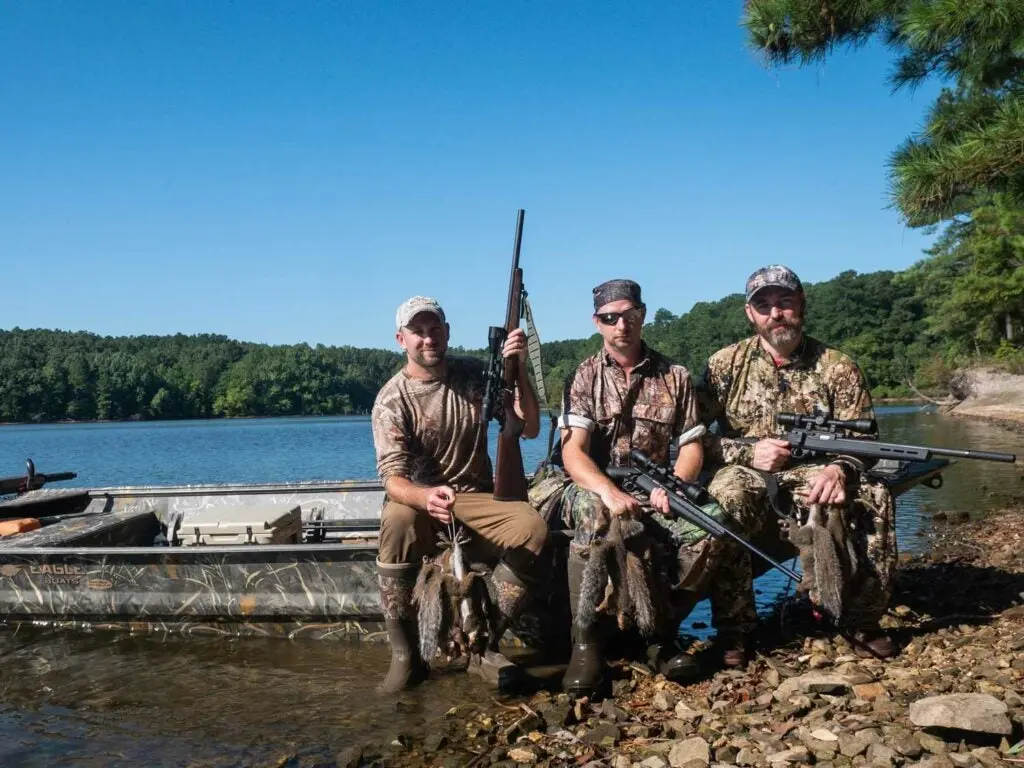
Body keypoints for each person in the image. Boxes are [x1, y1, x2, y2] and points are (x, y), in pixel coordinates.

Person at [697, 265, 897, 666]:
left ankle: (862, 619)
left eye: (785, 302)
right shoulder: (723, 365)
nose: (776, 313)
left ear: (801, 305)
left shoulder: (838, 366)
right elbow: (691, 438)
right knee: (724, 497)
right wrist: (745, 453)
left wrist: (840, 468)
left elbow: (865, 441)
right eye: (764, 305)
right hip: (747, 470)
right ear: (749, 313)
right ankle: (736, 630)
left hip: (817, 469)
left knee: (874, 494)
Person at [371, 295, 548, 693]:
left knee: (533, 528)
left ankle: (483, 638)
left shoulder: (474, 376)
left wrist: (517, 370)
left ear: (447, 333)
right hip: (419, 497)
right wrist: (424, 497)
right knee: (396, 520)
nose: (428, 339)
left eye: (435, 329)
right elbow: (392, 480)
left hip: (475, 496)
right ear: (402, 339)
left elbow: (531, 428)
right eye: (418, 332)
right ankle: (406, 655)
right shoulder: (391, 398)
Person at [555, 279, 722, 697]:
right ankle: (586, 643)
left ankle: (659, 633)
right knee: (595, 515)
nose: (621, 326)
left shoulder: (676, 376)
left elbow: (691, 446)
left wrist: (676, 487)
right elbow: (573, 452)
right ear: (597, 323)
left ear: (642, 315)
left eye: (629, 315)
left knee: (713, 525)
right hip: (593, 484)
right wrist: (608, 492)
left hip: (653, 485)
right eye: (610, 318)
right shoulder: (583, 377)